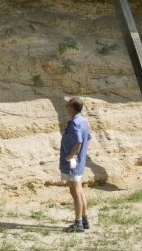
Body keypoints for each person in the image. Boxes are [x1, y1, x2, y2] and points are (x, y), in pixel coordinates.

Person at [60, 97, 92, 233]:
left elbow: (78, 142)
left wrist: (70, 156)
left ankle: (78, 223)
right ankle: (84, 220)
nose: (66, 108)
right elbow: (88, 137)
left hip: (73, 163)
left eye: (68, 106)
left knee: (75, 191)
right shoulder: (83, 121)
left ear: (72, 108)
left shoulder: (74, 123)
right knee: (79, 189)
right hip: (80, 162)